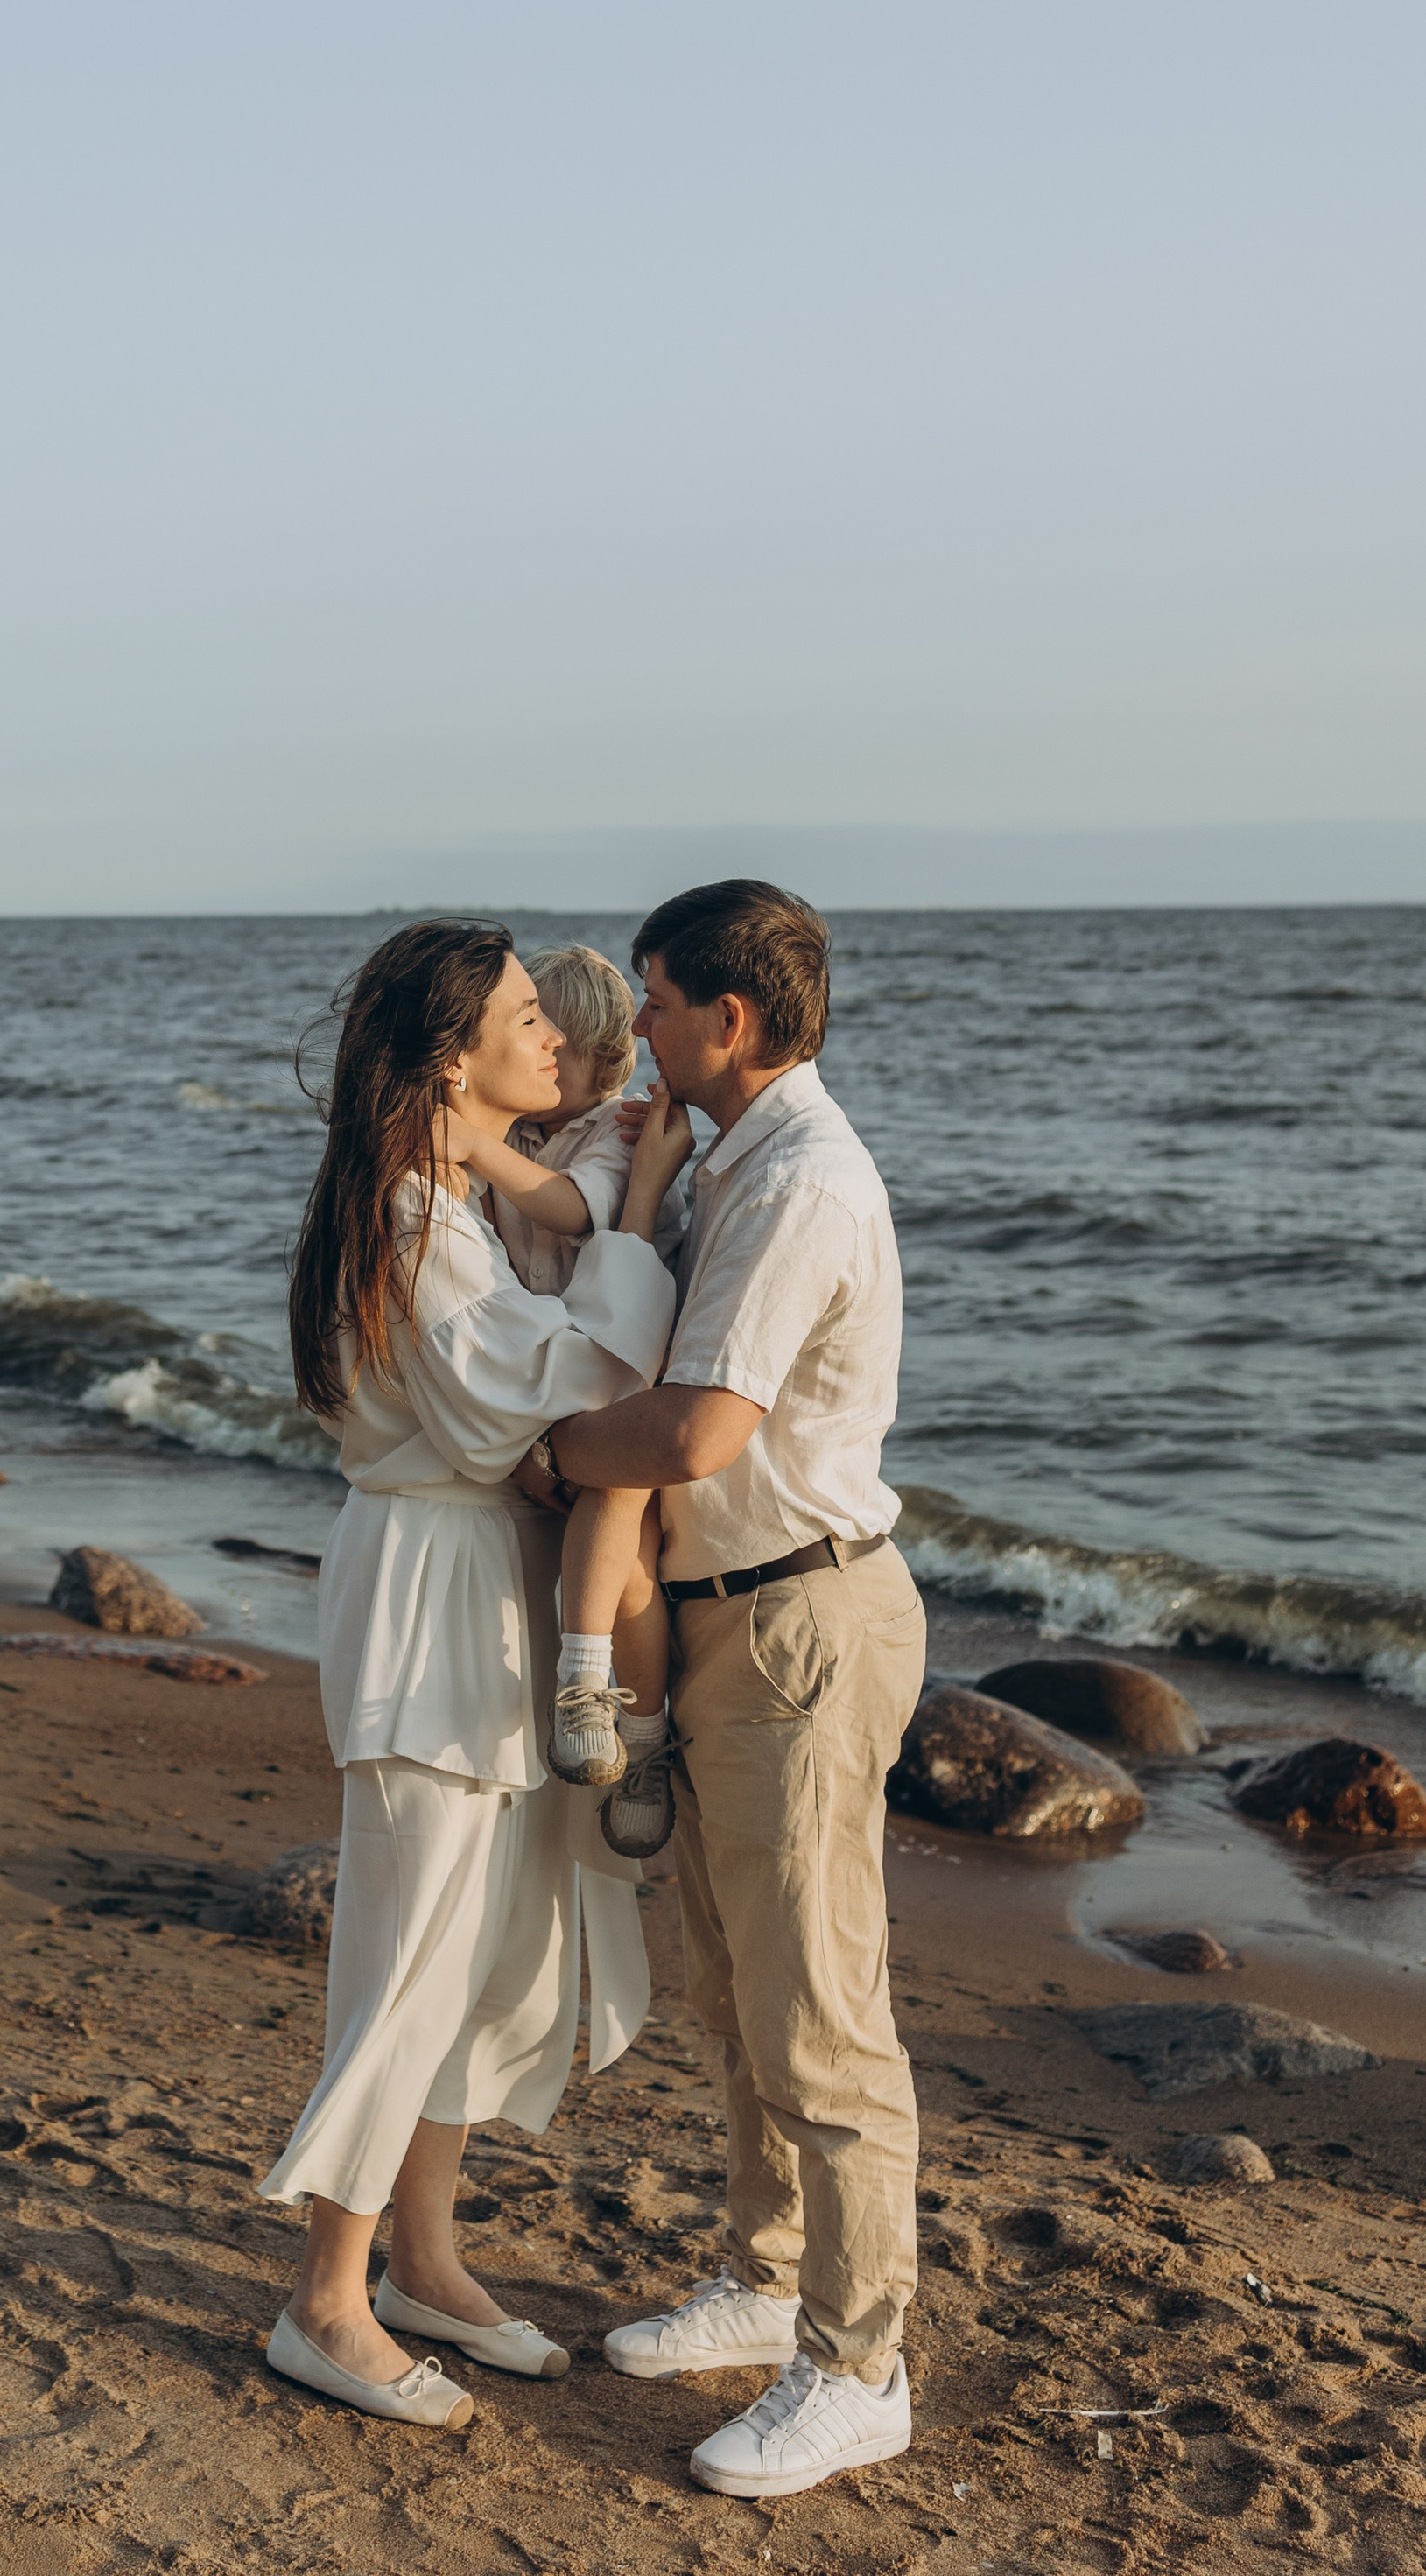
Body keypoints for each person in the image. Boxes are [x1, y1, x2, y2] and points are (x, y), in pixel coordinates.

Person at [260, 920, 694, 2431]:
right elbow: (558, 1376)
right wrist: (633, 1211)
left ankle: (421, 2258)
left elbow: (537, 1387)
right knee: (405, 1958)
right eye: (525, 1017)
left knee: (488, 1947)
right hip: (431, 1597)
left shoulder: (447, 1197)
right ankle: (323, 2299)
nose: (556, 1042)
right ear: (456, 1055)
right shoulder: (408, 1215)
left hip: (482, 1588)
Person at [547, 879, 926, 2505]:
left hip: (797, 1623)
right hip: (715, 1622)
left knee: (822, 2013)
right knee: (735, 1986)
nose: (636, 1030)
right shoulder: (725, 1160)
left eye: (653, 1002)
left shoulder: (805, 1188)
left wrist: (544, 1455)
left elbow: (698, 1430)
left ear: (733, 1018)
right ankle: (764, 2279)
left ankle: (859, 2368)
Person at [461, 944, 684, 1848]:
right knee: (604, 1553)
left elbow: (572, 1210)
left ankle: (625, 1725)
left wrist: (470, 1142)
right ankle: (603, 1712)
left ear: (598, 1058)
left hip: (626, 1361)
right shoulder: (514, 1136)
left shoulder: (614, 1135)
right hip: (553, 1368)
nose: (543, 1047)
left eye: (556, 1036)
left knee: (623, 1542)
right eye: (530, 1029)